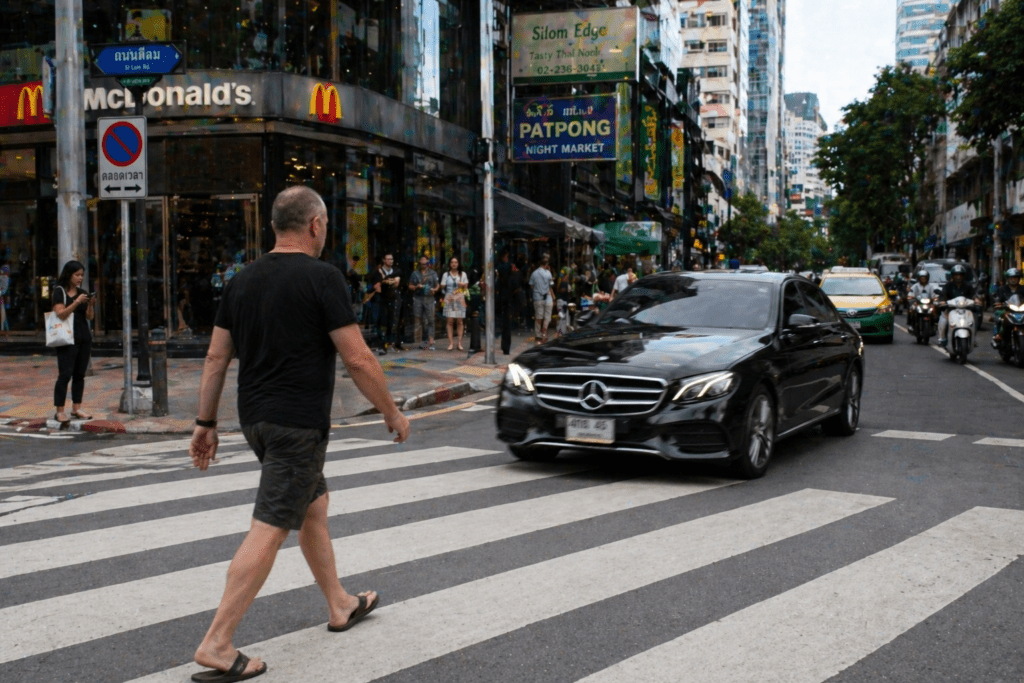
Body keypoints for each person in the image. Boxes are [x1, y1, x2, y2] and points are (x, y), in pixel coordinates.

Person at [188, 186, 411, 682]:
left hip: (257, 423)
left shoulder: (241, 281)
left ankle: (339, 603)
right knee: (270, 526)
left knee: (313, 505)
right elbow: (357, 357)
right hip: (297, 426)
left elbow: (215, 358)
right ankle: (218, 643)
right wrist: (391, 412)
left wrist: (205, 424)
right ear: (314, 225)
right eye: (326, 225)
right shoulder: (322, 278)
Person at [51, 260, 95, 426]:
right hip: (66, 339)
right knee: (65, 375)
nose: (80, 278)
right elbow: (61, 313)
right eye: (77, 275)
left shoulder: (83, 292)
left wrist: (90, 306)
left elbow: (89, 317)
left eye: (82, 275)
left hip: (84, 337)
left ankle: (76, 408)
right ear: (68, 275)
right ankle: (60, 411)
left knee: (79, 375)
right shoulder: (59, 292)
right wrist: (76, 302)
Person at [936, 264, 982, 348]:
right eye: (956, 275)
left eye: (960, 275)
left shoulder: (968, 285)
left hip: (966, 309)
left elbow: (973, 295)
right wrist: (942, 301)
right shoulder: (948, 286)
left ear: (963, 276)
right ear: (953, 275)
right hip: (950, 309)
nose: (958, 277)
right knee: (944, 319)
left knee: (974, 320)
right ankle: (942, 338)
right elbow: (943, 295)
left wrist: (976, 300)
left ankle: (973, 339)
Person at [368, 253, 402, 355]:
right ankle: (381, 345)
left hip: (392, 299)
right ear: (384, 260)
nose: (391, 261)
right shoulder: (376, 272)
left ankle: (389, 343)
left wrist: (384, 279)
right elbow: (377, 287)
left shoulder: (396, 271)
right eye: (388, 259)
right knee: (380, 322)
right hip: (380, 300)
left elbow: (396, 283)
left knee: (391, 322)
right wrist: (385, 281)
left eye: (392, 259)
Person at [407, 255, 439, 349]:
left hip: (429, 298)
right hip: (418, 298)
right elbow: (410, 286)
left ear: (428, 263)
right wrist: (417, 286)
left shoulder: (433, 273)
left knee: (430, 319)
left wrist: (435, 290)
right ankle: (421, 341)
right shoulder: (415, 273)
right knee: (419, 319)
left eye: (425, 263)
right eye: (422, 263)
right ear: (419, 263)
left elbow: (437, 285)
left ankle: (431, 340)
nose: (424, 265)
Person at [441, 256, 469, 350]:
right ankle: (451, 343)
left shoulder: (463, 274)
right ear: (450, 264)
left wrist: (463, 285)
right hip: (449, 298)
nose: (454, 264)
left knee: (460, 321)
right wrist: (441, 286)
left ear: (458, 264)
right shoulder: (446, 274)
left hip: (460, 298)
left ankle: (459, 343)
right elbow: (442, 287)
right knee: (449, 321)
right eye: (452, 262)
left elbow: (466, 290)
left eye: (456, 262)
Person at [993, 267, 1022, 346]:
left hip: (1021, 311)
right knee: (998, 314)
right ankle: (997, 334)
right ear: (1008, 279)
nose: (1014, 280)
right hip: (1006, 310)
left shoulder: (1022, 289)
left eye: (1016, 278)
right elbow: (997, 299)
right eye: (1012, 278)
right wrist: (998, 303)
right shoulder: (1002, 289)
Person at [529, 254, 554, 344]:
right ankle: (544, 333)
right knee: (547, 317)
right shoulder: (548, 273)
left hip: (538, 297)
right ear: (546, 265)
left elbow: (531, 285)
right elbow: (551, 284)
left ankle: (538, 335)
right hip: (548, 297)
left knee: (539, 317)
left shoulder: (534, 273)